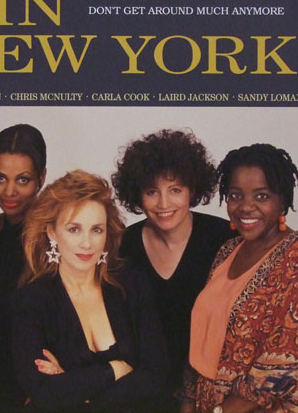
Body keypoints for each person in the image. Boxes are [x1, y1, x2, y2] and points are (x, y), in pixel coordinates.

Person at [11, 170, 169, 412]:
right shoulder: (31, 301)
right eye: (74, 229)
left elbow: (157, 375)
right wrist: (114, 369)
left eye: (97, 230)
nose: (87, 243)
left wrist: (80, 394)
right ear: (52, 232)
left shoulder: (131, 284)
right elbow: (43, 392)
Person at [183, 143, 298, 412]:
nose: (246, 207)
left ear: (282, 201)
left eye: (261, 196)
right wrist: (188, 402)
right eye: (236, 195)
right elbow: (202, 338)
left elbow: (287, 363)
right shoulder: (228, 251)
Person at [111, 129, 236, 409]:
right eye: (152, 191)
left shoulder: (224, 239)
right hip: (141, 393)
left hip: (210, 392)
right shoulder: (123, 247)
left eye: (175, 190)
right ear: (137, 195)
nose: (164, 204)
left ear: (192, 189)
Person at [0, 124, 47, 412]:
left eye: (23, 179)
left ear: (41, 178)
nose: (9, 191)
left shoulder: (59, 234)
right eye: (0, 178)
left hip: (42, 382)